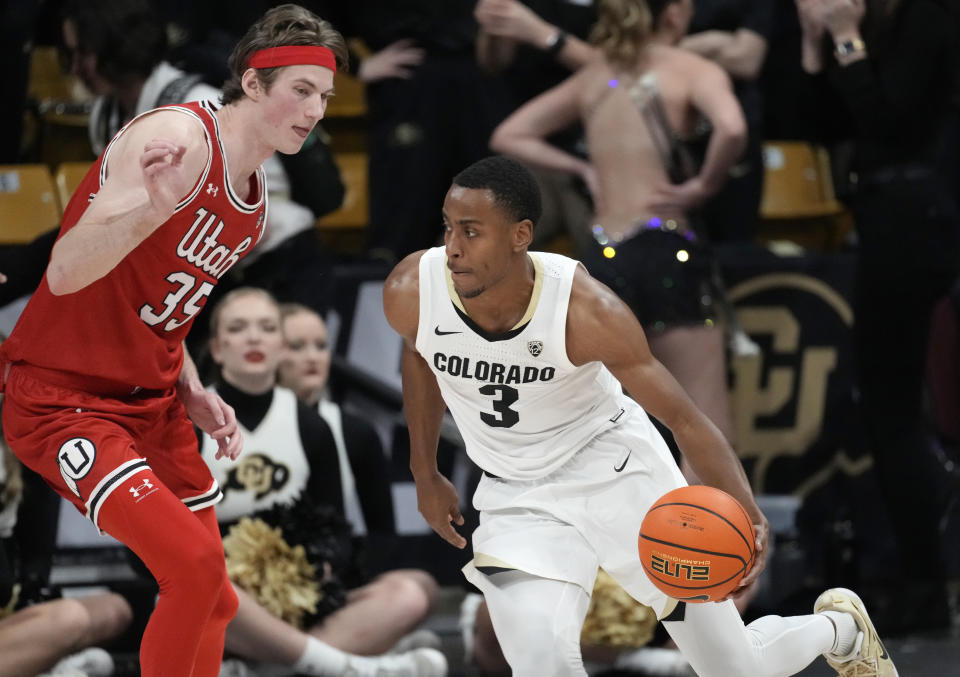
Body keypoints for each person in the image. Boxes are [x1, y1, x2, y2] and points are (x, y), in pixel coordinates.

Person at [382, 154, 897, 677]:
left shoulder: (586, 311)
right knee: (541, 664)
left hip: (617, 473)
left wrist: (749, 513)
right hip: (517, 493)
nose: (452, 248)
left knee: (735, 668)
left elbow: (686, 419)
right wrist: (425, 472)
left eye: (471, 232)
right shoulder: (414, 289)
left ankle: (841, 629)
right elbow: (420, 355)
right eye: (448, 227)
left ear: (521, 235)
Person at [0, 5, 348, 675]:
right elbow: (66, 269)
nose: (316, 109)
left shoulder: (253, 206)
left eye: (326, 96)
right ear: (252, 82)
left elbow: (163, 311)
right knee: (190, 568)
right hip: (62, 396)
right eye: (301, 90)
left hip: (150, 402)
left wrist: (190, 388)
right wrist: (149, 209)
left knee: (215, 593)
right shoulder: (178, 140)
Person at [491, 0, 744, 470]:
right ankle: (706, 543)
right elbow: (731, 127)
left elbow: (509, 134)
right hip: (666, 247)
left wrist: (582, 168)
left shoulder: (595, 76)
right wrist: (703, 185)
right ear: (673, 14)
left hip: (603, 258)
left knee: (606, 430)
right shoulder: (691, 69)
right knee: (704, 425)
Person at [795, 0, 960, 633]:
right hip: (882, 215)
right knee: (884, 407)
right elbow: (814, 126)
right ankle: (918, 581)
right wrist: (817, 47)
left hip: (917, 216)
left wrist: (842, 37)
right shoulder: (867, 28)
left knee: (893, 408)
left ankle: (925, 586)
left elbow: (889, 117)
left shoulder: (930, 19)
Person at [202, 288, 446, 676]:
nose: (253, 338)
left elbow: (334, 531)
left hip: (295, 599)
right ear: (216, 348)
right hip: (219, 600)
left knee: (408, 594)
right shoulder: (187, 422)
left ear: (279, 346)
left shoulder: (311, 426)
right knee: (208, 586)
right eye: (237, 328)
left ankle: (275, 667)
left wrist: (313, 572)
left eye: (266, 328)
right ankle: (350, 665)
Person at [1, 384, 133, 677]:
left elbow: (33, 556)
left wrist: (31, 593)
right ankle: (47, 663)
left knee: (114, 610)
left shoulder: (18, 446)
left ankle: (41, 662)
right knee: (69, 619)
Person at [474, 0, 600, 258]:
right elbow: (493, 63)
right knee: (474, 245)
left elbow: (623, 72)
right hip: (532, 152)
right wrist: (494, 24)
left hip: (601, 150)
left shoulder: (618, 9)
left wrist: (541, 33)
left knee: (600, 251)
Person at [278, 302, 396, 535]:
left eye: (321, 346)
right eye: (297, 346)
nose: (313, 357)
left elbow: (383, 531)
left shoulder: (357, 432)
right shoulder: (234, 423)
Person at [678, 0, 775, 244]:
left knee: (734, 243)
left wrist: (675, 50)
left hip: (736, 144)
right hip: (672, 132)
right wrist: (713, 41)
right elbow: (639, 51)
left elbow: (746, 60)